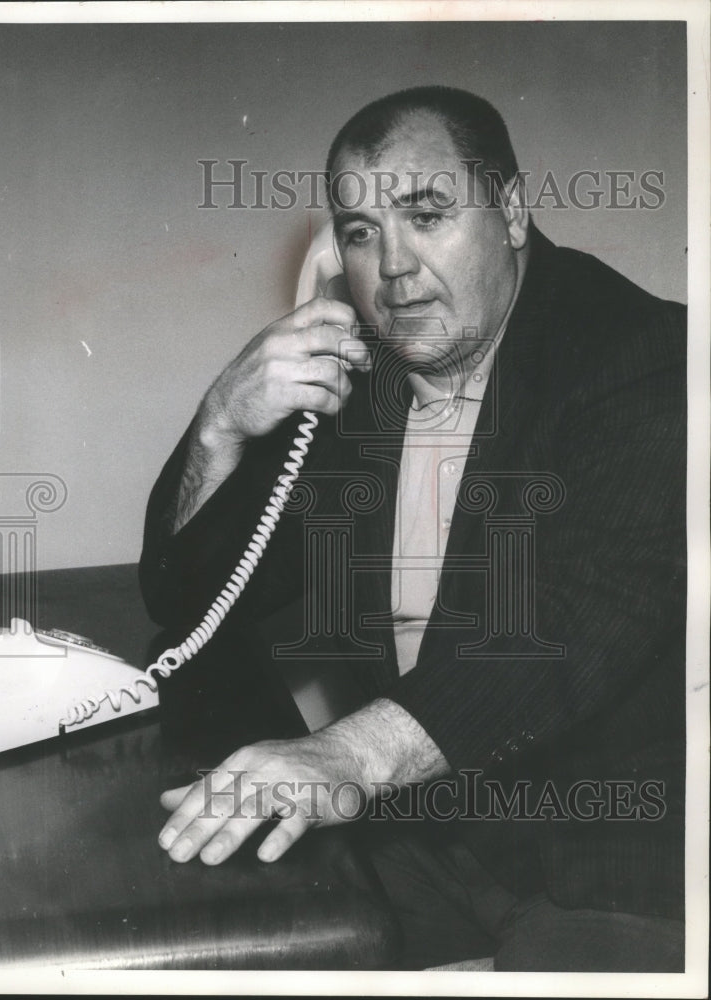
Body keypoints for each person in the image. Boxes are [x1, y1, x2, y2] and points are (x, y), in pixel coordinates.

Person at [139, 87, 686, 971]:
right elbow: (186, 597)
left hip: (607, 868)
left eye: (426, 215)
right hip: (427, 833)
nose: (392, 269)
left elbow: (568, 627)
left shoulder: (647, 362)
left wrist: (344, 754)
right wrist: (221, 424)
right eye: (360, 233)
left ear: (511, 212)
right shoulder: (365, 383)